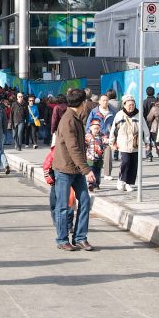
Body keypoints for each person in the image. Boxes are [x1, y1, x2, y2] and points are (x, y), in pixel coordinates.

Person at [52, 88, 96, 251]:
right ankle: (62, 239)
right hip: (64, 168)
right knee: (63, 206)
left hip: (76, 168)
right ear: (83, 103)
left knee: (84, 201)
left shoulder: (75, 117)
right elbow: (73, 148)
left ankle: (80, 237)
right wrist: (87, 170)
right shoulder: (68, 120)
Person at [109, 95, 140, 192]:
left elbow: (144, 129)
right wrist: (112, 142)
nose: (131, 106)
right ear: (124, 105)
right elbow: (114, 129)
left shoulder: (138, 114)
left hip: (135, 143)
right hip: (123, 143)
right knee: (126, 162)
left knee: (133, 164)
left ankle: (129, 183)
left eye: (133, 104)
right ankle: (121, 180)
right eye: (129, 104)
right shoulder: (119, 115)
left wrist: (147, 142)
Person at [84, 119, 106, 192]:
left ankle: (96, 184)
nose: (96, 130)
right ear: (90, 128)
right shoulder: (87, 136)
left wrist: (107, 142)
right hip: (90, 158)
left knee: (97, 172)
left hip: (99, 158)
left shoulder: (102, 136)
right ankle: (90, 184)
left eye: (98, 128)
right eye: (95, 128)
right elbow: (84, 145)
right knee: (91, 171)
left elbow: (106, 143)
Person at [142, 86, 157, 160]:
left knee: (147, 139)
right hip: (156, 124)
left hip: (147, 123)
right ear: (154, 92)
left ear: (146, 93)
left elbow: (143, 113)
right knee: (156, 139)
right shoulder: (157, 101)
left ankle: (149, 155)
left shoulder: (144, 102)